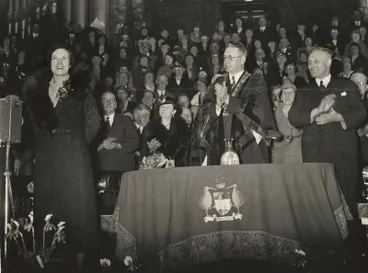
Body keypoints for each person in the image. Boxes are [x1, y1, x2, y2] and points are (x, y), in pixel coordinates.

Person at [23, 44, 101, 269]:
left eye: (64, 58)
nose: (59, 62)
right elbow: (32, 126)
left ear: (71, 62)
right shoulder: (37, 92)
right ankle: (48, 260)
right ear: (49, 63)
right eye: (55, 58)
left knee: (76, 210)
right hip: (46, 159)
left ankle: (80, 264)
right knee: (48, 207)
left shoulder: (82, 90)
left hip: (74, 159)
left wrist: (75, 144)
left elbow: (93, 122)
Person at [289, 47, 367, 217]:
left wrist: (339, 117)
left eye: (316, 61)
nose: (311, 65)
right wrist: (315, 112)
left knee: (348, 205)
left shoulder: (347, 85)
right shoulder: (303, 91)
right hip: (315, 156)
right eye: (309, 62)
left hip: (344, 154)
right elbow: (293, 117)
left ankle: (351, 241)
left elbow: (361, 114)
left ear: (329, 62)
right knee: (319, 206)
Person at [189, 74, 281, 166]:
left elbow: (253, 123)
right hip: (215, 157)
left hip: (241, 156)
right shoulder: (205, 110)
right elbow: (199, 137)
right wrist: (217, 108)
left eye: (225, 86)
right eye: (218, 86)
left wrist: (265, 132)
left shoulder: (238, 107)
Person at [223, 42, 276, 163]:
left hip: (249, 141)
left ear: (242, 59)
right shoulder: (219, 82)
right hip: (222, 142)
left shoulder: (256, 82)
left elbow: (255, 113)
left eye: (231, 57)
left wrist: (227, 99)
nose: (226, 61)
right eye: (225, 57)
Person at [96, 91, 140, 214]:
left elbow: (136, 142)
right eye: (105, 99)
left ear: (116, 104)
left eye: (112, 100)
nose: (109, 102)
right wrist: (100, 145)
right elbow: (84, 144)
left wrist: (118, 145)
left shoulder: (125, 120)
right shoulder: (93, 121)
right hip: (101, 171)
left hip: (123, 171)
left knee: (124, 209)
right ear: (100, 104)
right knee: (104, 210)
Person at [271, 80, 303, 163]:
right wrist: (288, 139)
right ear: (280, 97)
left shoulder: (303, 113)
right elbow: (271, 143)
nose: (287, 96)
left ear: (295, 96)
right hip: (279, 158)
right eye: (285, 93)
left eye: (291, 93)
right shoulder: (273, 116)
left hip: (297, 158)